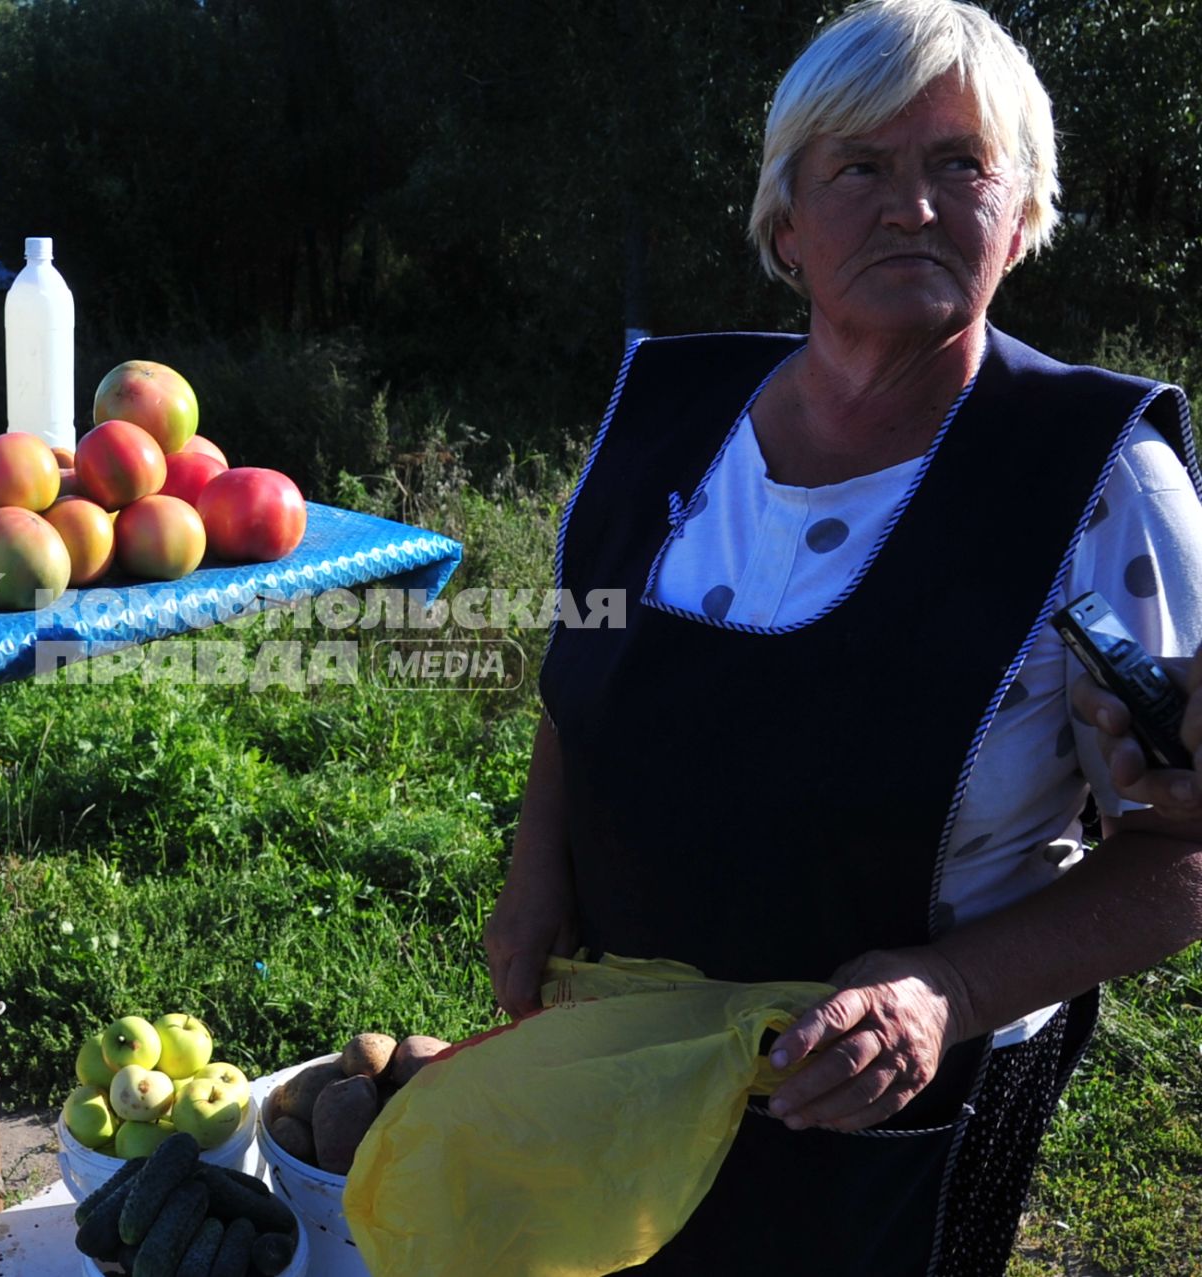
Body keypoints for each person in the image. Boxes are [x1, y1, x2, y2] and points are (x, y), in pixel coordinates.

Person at [484, 2, 1202, 1273]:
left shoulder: (1099, 483)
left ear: (1024, 212)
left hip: (896, 1115)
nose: (912, 206)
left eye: (959, 165)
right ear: (785, 218)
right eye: (860, 167)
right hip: (622, 1063)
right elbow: (579, 688)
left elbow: (1185, 846)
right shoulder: (665, 418)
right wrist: (535, 866)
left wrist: (948, 992)